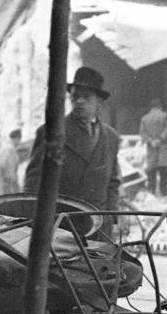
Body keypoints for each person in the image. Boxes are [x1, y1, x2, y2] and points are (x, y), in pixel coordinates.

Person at [24, 64, 122, 220]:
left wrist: (113, 217)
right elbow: (34, 182)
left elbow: (113, 182)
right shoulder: (51, 132)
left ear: (99, 101)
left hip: (100, 225)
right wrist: (33, 221)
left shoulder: (111, 137)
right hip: (62, 224)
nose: (79, 101)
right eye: (75, 96)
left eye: (86, 96)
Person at [138, 97, 167, 194]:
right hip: (163, 147)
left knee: (152, 170)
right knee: (164, 170)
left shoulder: (144, 118)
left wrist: (151, 141)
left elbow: (142, 133)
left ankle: (152, 190)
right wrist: (160, 139)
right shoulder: (165, 116)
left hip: (151, 148)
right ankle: (164, 190)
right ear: (160, 106)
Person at [0, 126, 24, 197]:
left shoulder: (6, 148)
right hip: (6, 182)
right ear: (17, 139)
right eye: (19, 139)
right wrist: (13, 182)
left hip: (3, 180)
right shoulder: (10, 150)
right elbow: (8, 168)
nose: (20, 141)